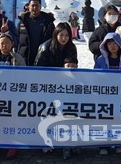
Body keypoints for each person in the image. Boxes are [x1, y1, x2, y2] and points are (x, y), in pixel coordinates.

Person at [34, 22, 78, 160]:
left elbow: (73, 63)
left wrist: (70, 66)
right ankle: (47, 141)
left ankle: (67, 144)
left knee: (66, 114)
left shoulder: (71, 47)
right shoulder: (45, 47)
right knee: (48, 114)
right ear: (56, 35)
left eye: (66, 35)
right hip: (48, 86)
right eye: (61, 35)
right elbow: (39, 69)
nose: (64, 38)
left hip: (65, 86)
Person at [0, 32, 24, 160]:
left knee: (11, 121)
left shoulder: (17, 58)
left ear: (12, 44)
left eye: (7, 42)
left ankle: (13, 145)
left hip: (12, 95)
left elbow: (25, 75)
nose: (4, 45)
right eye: (2, 43)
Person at [93, 32, 121, 155]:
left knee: (119, 121)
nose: (112, 46)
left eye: (115, 43)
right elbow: (95, 76)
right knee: (104, 120)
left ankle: (120, 143)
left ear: (119, 45)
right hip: (105, 98)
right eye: (109, 44)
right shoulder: (100, 61)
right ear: (105, 45)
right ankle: (103, 145)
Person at [17, 0, 55, 66]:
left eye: (37, 5)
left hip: (43, 58)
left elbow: (54, 40)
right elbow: (16, 39)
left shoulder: (48, 22)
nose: (34, 8)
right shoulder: (22, 22)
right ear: (28, 7)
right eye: (32, 5)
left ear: (40, 7)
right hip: (24, 58)